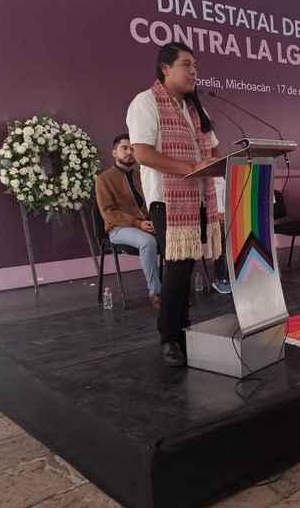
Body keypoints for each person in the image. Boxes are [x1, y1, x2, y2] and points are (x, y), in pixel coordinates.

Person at [127, 42, 222, 367]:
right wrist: (191, 168)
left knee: (187, 267)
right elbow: (143, 153)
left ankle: (182, 331)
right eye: (186, 64)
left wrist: (235, 162)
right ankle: (169, 337)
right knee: (178, 270)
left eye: (196, 66)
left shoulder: (196, 109)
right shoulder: (145, 102)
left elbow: (213, 152)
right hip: (167, 201)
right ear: (165, 69)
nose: (194, 71)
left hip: (198, 199)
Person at [95, 134, 161, 309]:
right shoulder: (104, 179)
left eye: (132, 148)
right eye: (124, 148)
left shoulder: (141, 176)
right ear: (114, 152)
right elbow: (108, 212)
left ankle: (173, 289)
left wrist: (153, 221)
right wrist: (137, 223)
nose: (129, 152)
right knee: (148, 241)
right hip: (118, 228)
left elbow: (151, 203)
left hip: (144, 225)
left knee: (172, 236)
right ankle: (155, 291)